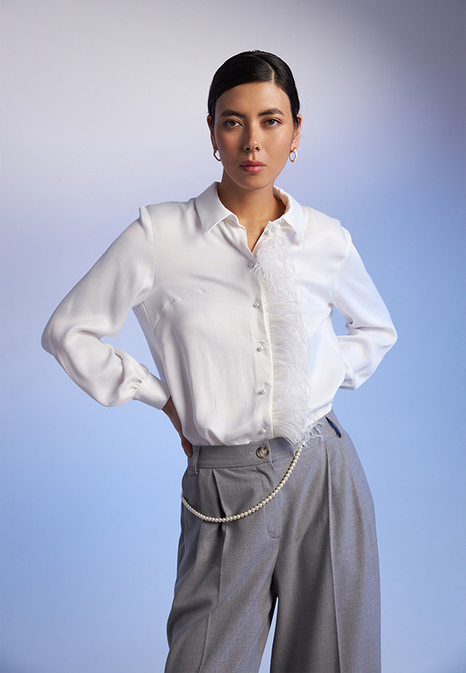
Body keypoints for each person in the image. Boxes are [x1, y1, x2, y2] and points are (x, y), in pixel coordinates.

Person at [42, 50, 397, 672]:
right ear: (211, 131)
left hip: (323, 470)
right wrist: (161, 398)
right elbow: (68, 331)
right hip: (224, 481)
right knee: (206, 658)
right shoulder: (160, 234)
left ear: (295, 131)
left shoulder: (325, 238)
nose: (252, 141)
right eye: (234, 121)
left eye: (271, 121)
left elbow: (375, 329)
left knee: (333, 658)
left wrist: (314, 379)